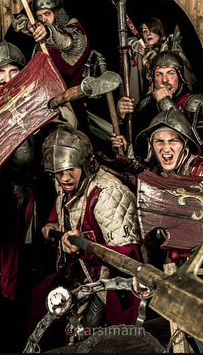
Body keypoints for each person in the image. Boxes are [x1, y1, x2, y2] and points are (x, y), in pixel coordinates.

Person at [33, 126, 141, 331]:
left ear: (84, 164)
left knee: (100, 333)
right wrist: (54, 222)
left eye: (70, 170)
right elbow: (65, 204)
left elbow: (128, 256)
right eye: (58, 172)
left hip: (110, 285)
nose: (64, 178)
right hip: (79, 277)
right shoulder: (66, 183)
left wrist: (84, 245)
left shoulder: (108, 194)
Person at [114, 51, 203, 163]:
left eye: (171, 73)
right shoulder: (146, 103)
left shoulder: (195, 103)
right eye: (159, 74)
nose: (164, 80)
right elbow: (137, 144)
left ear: (180, 76)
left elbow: (194, 147)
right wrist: (122, 118)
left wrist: (165, 102)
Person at [11, 0, 91, 88]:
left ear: (57, 13)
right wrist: (28, 25)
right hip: (46, 90)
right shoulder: (42, 30)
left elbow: (65, 42)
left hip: (73, 93)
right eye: (39, 16)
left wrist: (48, 31)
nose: (43, 19)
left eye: (47, 14)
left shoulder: (76, 33)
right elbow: (16, 21)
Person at [135, 108, 203, 177]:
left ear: (185, 144)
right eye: (159, 141)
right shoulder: (154, 171)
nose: (166, 149)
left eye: (173, 141)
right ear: (151, 145)